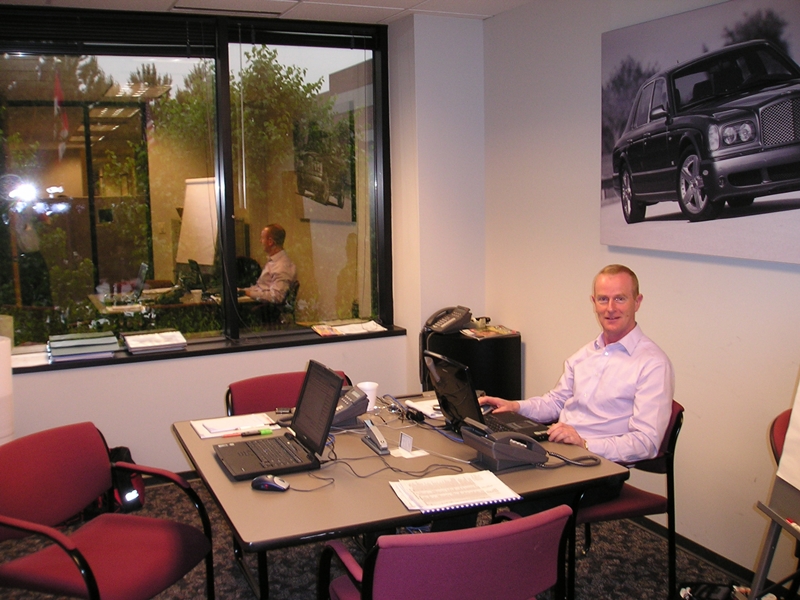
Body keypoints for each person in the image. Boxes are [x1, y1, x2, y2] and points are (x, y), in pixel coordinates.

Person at [481, 264, 675, 466]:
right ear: (594, 302)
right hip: (557, 449)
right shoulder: (584, 355)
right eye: (603, 299)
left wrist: (585, 444)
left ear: (637, 302)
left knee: (512, 479)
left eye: (620, 299)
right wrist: (515, 407)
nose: (610, 308)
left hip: (598, 464)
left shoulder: (653, 364)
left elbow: (646, 442)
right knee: (487, 461)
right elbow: (556, 402)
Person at [241, 224, 297, 305]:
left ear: (270, 242)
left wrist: (248, 293)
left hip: (263, 308)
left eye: (262, 238)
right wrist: (241, 291)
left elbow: (276, 297)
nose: (260, 241)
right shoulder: (274, 262)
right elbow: (261, 288)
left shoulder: (281, 266)